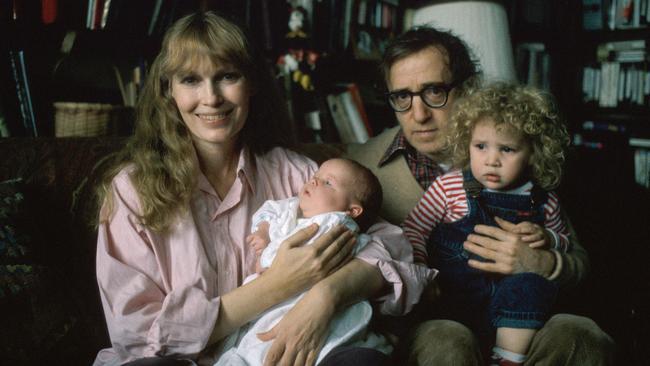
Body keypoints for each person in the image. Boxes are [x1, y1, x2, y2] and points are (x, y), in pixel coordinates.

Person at [93, 12, 435, 366]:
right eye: (190, 79)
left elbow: (394, 250)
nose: (211, 98)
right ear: (169, 90)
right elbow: (139, 337)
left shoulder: (297, 174)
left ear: (251, 82)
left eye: (227, 76)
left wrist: (327, 294)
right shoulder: (132, 191)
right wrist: (280, 283)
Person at [346, 26, 615, 365]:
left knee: (581, 334)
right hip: (442, 318)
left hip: (523, 317)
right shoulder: (359, 166)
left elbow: (578, 259)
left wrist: (543, 261)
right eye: (402, 96)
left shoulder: (514, 153)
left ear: (467, 88)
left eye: (434, 91)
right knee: (445, 342)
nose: (419, 114)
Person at [402, 82, 571, 365]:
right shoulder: (450, 186)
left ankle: (507, 359)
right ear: (467, 143)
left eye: (507, 149)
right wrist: (420, 268)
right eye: (481, 146)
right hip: (456, 301)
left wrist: (548, 238)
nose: (492, 160)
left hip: (517, 319)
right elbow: (414, 228)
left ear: (532, 152)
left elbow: (564, 242)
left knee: (530, 285)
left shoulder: (542, 199)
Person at [217, 158, 391, 365]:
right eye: (315, 177)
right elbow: (270, 211)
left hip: (309, 308)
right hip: (277, 306)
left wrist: (267, 258)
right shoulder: (294, 213)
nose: (315, 182)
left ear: (352, 211)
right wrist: (264, 232)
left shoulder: (337, 225)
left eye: (328, 183)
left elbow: (390, 250)